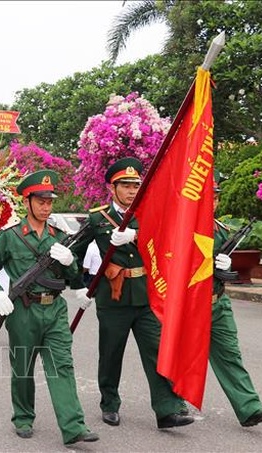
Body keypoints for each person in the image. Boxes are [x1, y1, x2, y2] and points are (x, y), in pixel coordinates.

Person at [72, 157, 193, 429]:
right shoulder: (97, 217)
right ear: (112, 188)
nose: (131, 191)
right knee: (111, 352)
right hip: (112, 298)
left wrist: (136, 235)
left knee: (157, 351)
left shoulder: (149, 213)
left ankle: (167, 409)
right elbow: (73, 253)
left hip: (146, 297)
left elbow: (167, 238)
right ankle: (110, 404)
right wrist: (78, 285)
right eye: (125, 185)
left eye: (135, 185)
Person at [0, 170, 98, 445]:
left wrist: (70, 263)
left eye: (50, 201)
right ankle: (23, 416)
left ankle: (73, 427)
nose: (46, 206)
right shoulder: (10, 236)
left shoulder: (59, 236)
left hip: (55, 310)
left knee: (62, 366)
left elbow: (70, 278)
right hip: (23, 311)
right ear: (27, 201)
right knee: (23, 367)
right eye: (41, 201)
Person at [209, 179, 262, 427]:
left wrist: (226, 265)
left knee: (230, 355)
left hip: (217, 301)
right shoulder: (180, 229)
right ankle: (170, 406)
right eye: (208, 197)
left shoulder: (221, 230)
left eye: (215, 197)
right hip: (188, 306)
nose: (212, 202)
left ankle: (249, 408)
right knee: (179, 356)